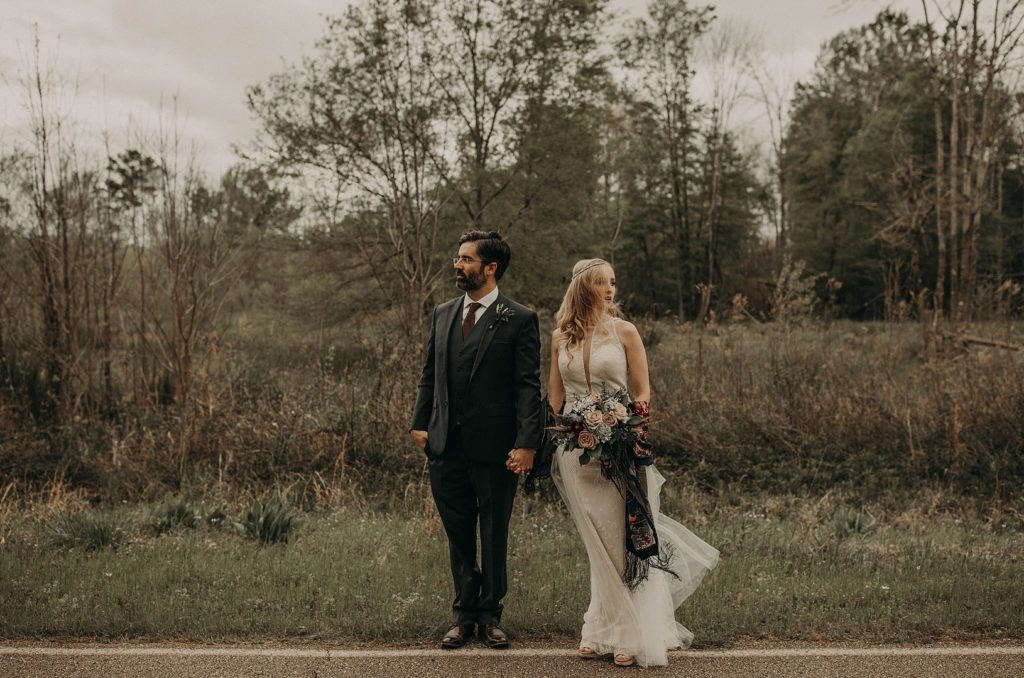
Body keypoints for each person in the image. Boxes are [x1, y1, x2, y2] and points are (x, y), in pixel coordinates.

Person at [547, 258, 719, 668]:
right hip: (576, 451)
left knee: (624, 541)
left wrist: (627, 426)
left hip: (621, 449)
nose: (610, 290)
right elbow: (555, 396)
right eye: (602, 284)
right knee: (596, 542)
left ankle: (630, 632)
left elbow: (642, 391)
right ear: (584, 288)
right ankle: (599, 627)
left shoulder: (625, 332)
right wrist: (554, 434)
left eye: (613, 283)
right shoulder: (559, 336)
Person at [409, 231, 543, 650]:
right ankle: (463, 616)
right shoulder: (443, 313)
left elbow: (527, 387)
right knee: (459, 532)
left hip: (498, 448)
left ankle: (490, 616)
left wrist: (527, 442)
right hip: (446, 445)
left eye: (466, 259)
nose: (457, 264)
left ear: (491, 268)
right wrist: (419, 422)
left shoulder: (519, 318)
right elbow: (430, 373)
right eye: (457, 257)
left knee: (493, 531)